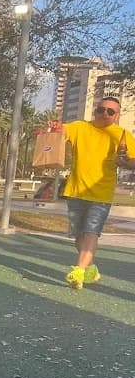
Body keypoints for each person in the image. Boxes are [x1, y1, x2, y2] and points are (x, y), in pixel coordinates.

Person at [60, 97, 135, 288]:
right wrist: (53, 127)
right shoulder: (80, 127)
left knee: (91, 232)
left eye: (110, 112)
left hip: (101, 194)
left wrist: (126, 162)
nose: (105, 114)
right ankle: (90, 268)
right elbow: (59, 132)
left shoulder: (123, 135)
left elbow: (133, 160)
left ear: (117, 115)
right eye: (101, 109)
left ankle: (79, 271)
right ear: (95, 110)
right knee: (79, 236)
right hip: (76, 190)